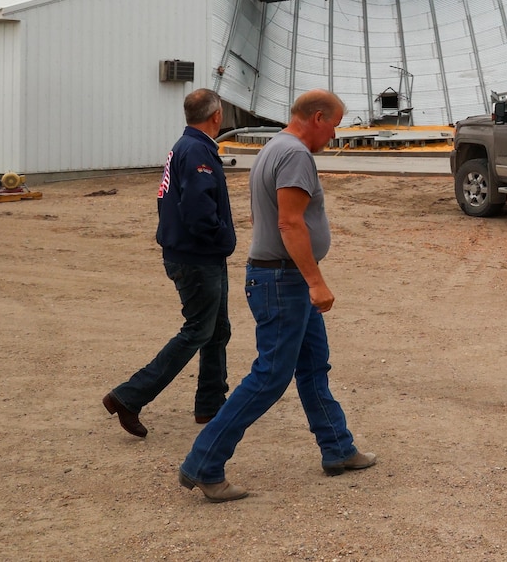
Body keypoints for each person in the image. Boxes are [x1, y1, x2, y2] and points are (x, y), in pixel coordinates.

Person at [178, 89, 376, 502]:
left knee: (312, 366)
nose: (334, 136)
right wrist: (315, 280)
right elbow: (289, 224)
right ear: (317, 117)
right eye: (334, 126)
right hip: (283, 281)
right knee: (270, 376)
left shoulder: (274, 148)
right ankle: (204, 463)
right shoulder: (295, 154)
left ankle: (337, 448)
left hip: (281, 279)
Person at [103, 89, 235, 438]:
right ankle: (129, 396)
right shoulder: (196, 151)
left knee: (217, 331)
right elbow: (197, 210)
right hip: (196, 257)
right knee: (198, 330)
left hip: (196, 254)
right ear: (217, 116)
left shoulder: (187, 146)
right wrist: (222, 237)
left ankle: (211, 404)